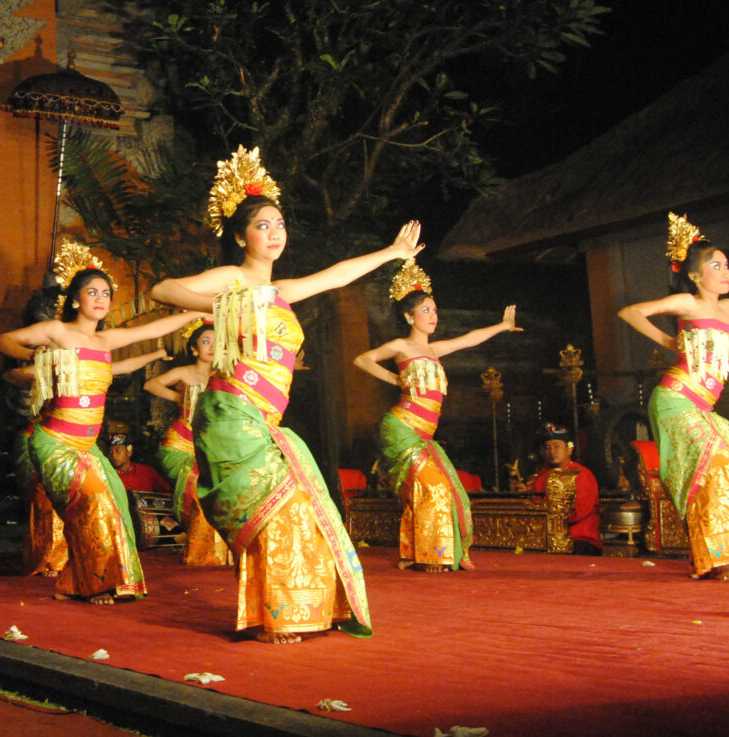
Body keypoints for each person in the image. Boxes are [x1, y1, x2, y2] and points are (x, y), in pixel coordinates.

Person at [150, 146, 421, 643]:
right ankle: (270, 617)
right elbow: (163, 290)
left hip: (266, 423)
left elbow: (335, 275)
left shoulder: (282, 292)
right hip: (230, 413)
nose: (274, 233)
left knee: (299, 508)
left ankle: (294, 610)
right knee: (272, 509)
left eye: (279, 224)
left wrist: (391, 254)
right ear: (240, 236)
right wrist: (226, 304)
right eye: (262, 226)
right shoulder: (233, 281)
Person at [0, 239, 205, 605]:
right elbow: (1, 341)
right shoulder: (58, 331)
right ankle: (92, 583)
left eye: (106, 293)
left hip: (88, 447)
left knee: (116, 503)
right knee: (92, 503)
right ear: (76, 300)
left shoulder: (106, 340)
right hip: (55, 442)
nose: (101, 299)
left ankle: (95, 580)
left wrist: (201, 314)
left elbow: (153, 330)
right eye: (92, 292)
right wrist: (45, 356)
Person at [618, 212, 729, 582]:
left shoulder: (726, 308)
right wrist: (669, 341)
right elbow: (630, 311)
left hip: (701, 406)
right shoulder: (688, 303)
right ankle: (719, 560)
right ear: (695, 275)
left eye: (727, 265)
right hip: (675, 399)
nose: (725, 271)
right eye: (715, 265)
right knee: (720, 470)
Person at [353, 259, 520, 572]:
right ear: (408, 316)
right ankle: (431, 556)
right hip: (401, 427)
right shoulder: (401, 346)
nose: (433, 315)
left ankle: (422, 551)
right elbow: (363, 359)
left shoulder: (435, 350)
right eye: (426, 310)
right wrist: (393, 379)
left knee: (454, 490)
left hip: (424, 435)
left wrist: (501, 326)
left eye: (435, 310)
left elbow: (469, 338)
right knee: (434, 488)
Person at [7, 350, 170, 578]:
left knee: (100, 499)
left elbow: (123, 365)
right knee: (46, 498)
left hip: (79, 442)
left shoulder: (89, 369)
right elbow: (13, 370)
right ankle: (51, 560)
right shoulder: (51, 369)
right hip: (47, 439)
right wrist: (41, 359)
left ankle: (95, 563)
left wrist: (156, 353)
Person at [144, 320, 232, 565]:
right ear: (194, 349)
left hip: (210, 447)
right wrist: (178, 397)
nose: (211, 346)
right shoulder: (184, 372)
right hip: (178, 445)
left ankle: (216, 550)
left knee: (221, 485)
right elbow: (150, 384)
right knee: (196, 479)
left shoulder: (225, 375)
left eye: (217, 342)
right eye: (205, 341)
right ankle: (199, 548)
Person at [512, 422, 602, 554]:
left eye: (556, 446)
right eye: (547, 448)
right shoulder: (541, 476)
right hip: (545, 538)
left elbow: (580, 510)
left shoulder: (581, 474)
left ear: (569, 449)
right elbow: (535, 506)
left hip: (578, 538)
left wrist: (550, 518)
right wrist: (525, 496)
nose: (552, 452)